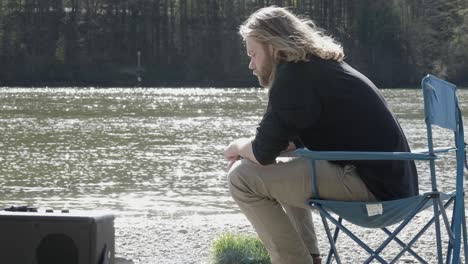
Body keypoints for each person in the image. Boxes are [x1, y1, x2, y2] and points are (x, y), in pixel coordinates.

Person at [223, 6, 418, 264]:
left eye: (253, 54)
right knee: (276, 169)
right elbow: (281, 145)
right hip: (397, 189)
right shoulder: (318, 68)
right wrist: (257, 151)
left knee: (241, 178)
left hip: (373, 191)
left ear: (272, 47)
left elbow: (262, 151)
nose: (251, 64)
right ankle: (310, 258)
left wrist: (236, 147)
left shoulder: (293, 77)